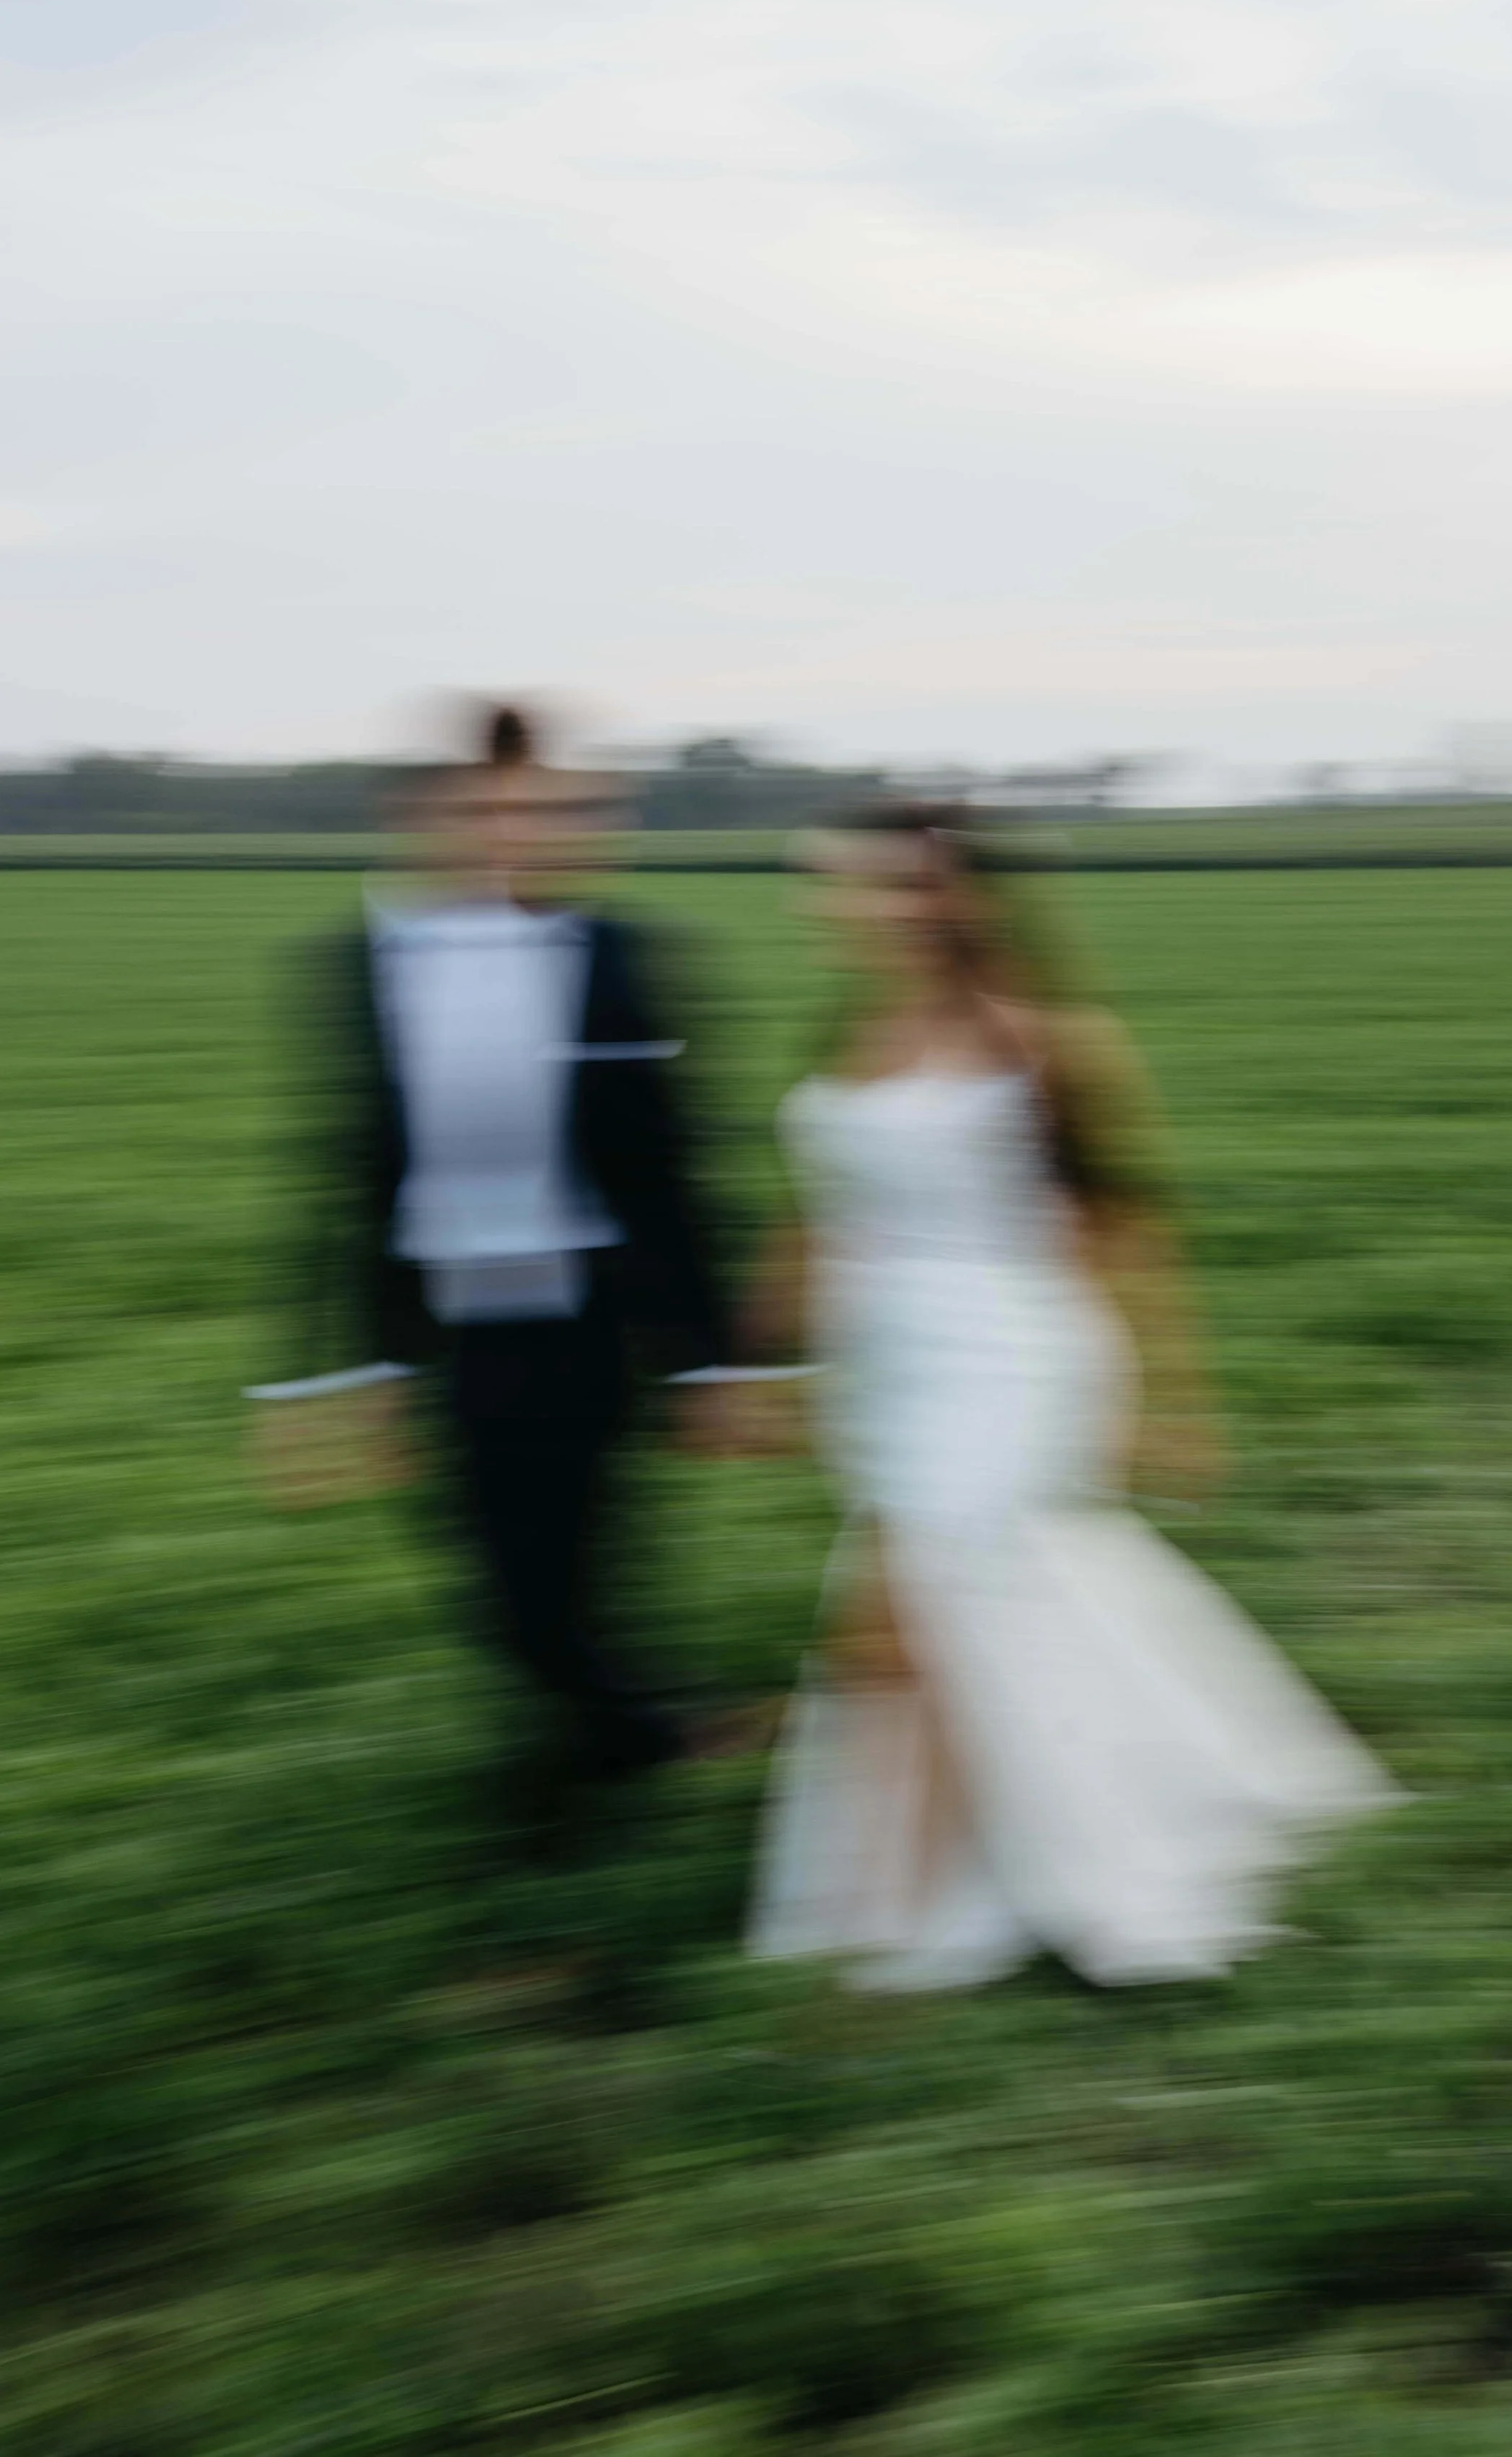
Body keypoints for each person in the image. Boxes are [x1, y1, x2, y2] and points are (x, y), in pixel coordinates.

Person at [743, 805, 1400, 1989]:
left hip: (1013, 1355)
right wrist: (769, 1361)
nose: (854, 907)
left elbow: (1128, 1231)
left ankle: (899, 1933)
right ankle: (1081, 1813)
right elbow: (826, 1214)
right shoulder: (853, 1033)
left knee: (908, 1615)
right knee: (979, 1607)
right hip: (888, 1370)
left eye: (889, 887)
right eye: (843, 886)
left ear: (958, 900)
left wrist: (1177, 1405)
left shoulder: (1042, 1043)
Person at [251, 701, 739, 1836]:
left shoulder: (625, 957)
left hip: (591, 1324)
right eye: (485, 809)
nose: (512, 833)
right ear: (423, 818)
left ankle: (609, 1772)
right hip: (454, 1330)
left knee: (570, 1569)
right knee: (496, 1585)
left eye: (541, 811)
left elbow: (674, 1169)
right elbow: (347, 1175)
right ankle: (629, 1741)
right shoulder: (356, 964)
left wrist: (712, 1366)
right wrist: (324, 1376)